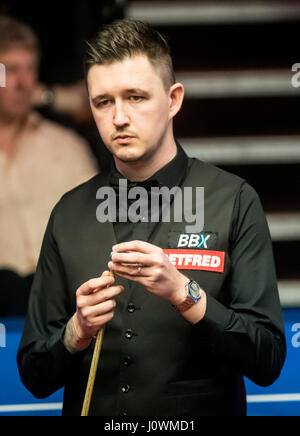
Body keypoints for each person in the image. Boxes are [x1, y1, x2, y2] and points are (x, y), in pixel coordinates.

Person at [17, 19, 286, 416]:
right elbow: (34, 375)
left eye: (136, 97)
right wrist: (77, 331)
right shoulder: (69, 213)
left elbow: (268, 360)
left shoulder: (233, 200)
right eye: (103, 101)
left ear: (173, 99)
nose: (119, 117)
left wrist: (184, 292)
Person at [0, 16, 98, 316]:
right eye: (11, 70)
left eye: (30, 69)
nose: (23, 82)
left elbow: (97, 234)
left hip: (60, 308)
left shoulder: (67, 148)